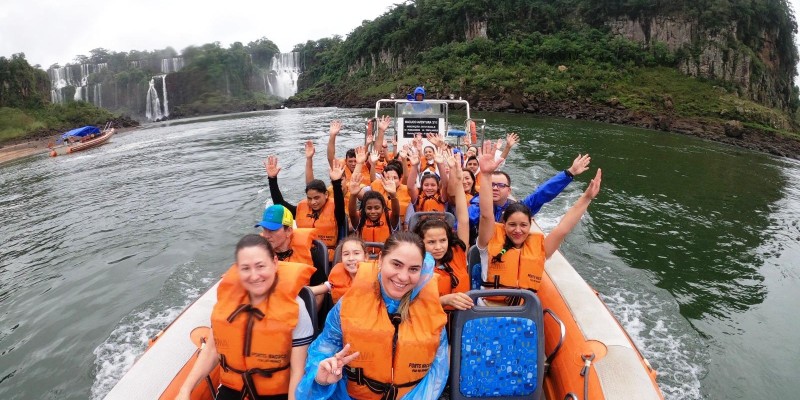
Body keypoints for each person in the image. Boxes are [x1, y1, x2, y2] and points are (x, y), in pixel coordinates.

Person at [295, 232, 449, 399]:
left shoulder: (430, 310)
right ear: (381, 260)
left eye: (413, 269)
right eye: (396, 265)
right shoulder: (347, 305)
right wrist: (321, 378)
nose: (403, 277)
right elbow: (323, 350)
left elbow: (437, 371)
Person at [177, 234, 314, 400]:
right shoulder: (227, 304)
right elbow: (212, 350)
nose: (254, 276)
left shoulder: (296, 308)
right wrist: (185, 390)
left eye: (260, 266)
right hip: (233, 389)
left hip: (276, 393)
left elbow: (297, 371)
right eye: (246, 268)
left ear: (275, 263)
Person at [475, 140, 602, 303]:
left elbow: (562, 229)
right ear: (503, 224)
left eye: (523, 225)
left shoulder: (539, 249)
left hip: (523, 313)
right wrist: (485, 175)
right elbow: (486, 215)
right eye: (512, 225)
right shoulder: (488, 240)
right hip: (489, 309)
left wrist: (587, 197)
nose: (518, 230)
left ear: (530, 224)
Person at [466, 145, 591, 245]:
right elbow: (463, 226)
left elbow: (541, 194)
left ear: (509, 191)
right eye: (492, 184)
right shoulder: (476, 208)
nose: (495, 188)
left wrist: (569, 173)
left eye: (501, 185)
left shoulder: (518, 210)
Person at [414, 151, 473, 311]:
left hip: (459, 322)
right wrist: (444, 300)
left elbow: (463, 219)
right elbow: (411, 304)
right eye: (431, 242)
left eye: (442, 241)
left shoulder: (458, 253)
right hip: (429, 324)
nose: (438, 247)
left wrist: (459, 181)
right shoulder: (414, 265)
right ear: (421, 243)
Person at [266, 154, 347, 262]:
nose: (313, 202)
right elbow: (279, 203)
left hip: (326, 258)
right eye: (309, 198)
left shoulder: (337, 211)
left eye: (317, 198)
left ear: (326, 195)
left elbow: (340, 203)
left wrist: (336, 182)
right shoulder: (301, 209)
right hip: (302, 253)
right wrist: (272, 179)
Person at [310, 236, 370, 303]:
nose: (351, 258)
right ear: (341, 259)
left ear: (366, 257)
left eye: (356, 253)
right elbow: (320, 288)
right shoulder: (337, 277)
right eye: (346, 254)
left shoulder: (376, 278)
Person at [348, 172, 400, 246]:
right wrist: (353, 195)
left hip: (384, 256)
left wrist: (393, 194)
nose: (373, 211)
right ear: (364, 209)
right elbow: (352, 214)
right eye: (369, 208)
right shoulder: (360, 219)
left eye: (377, 208)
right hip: (365, 256)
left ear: (383, 208)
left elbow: (396, 213)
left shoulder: (389, 218)